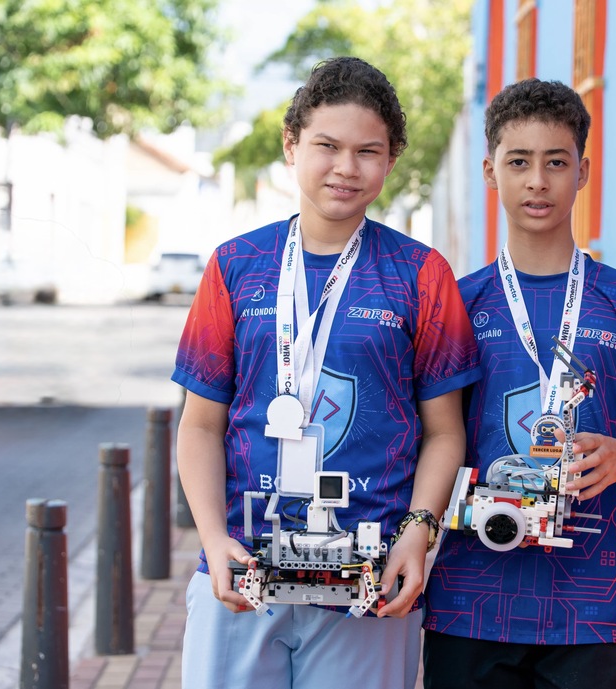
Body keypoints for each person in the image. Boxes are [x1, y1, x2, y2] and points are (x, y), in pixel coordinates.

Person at [172, 56, 480, 689]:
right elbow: (200, 425)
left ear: (391, 159)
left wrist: (417, 535)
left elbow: (445, 431)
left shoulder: (422, 275)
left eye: (369, 151)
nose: (346, 167)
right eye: (327, 146)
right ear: (292, 145)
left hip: (371, 574)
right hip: (244, 568)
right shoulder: (235, 266)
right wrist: (212, 538)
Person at [422, 78, 616, 688]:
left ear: (584, 171)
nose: (538, 181)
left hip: (596, 605)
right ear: (491, 171)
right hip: (470, 600)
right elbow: (431, 443)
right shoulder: (454, 305)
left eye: (556, 162)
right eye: (519, 162)